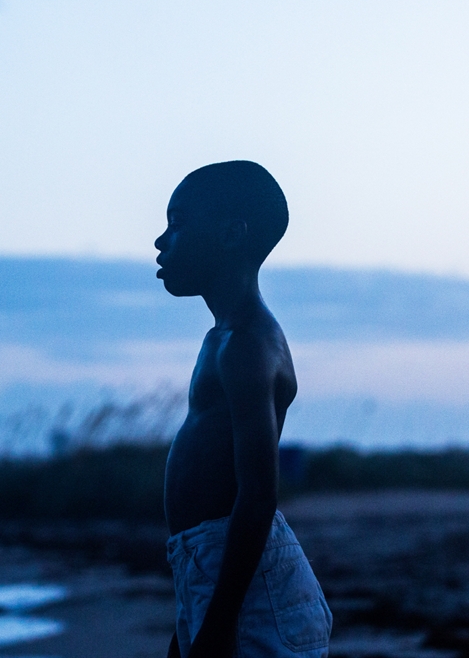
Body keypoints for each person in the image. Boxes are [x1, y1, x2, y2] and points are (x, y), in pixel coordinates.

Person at [156, 161, 332, 658]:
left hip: (253, 589)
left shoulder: (247, 346)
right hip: (219, 572)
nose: (160, 241)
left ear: (231, 234)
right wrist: (194, 616)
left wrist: (218, 623)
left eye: (178, 224)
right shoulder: (223, 340)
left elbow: (256, 495)